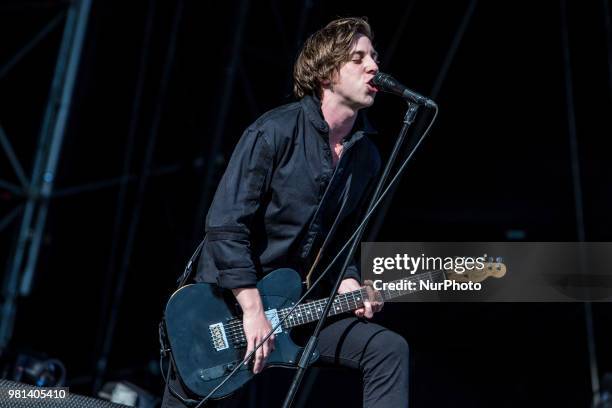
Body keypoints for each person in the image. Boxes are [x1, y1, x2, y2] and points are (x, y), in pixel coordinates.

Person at [162, 17, 409, 408]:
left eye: (374, 56)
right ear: (328, 73)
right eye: (359, 58)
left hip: (294, 305)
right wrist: (253, 310)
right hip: (223, 309)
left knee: (386, 349)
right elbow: (225, 225)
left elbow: (341, 241)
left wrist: (348, 281)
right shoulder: (274, 132)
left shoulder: (367, 156)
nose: (374, 66)